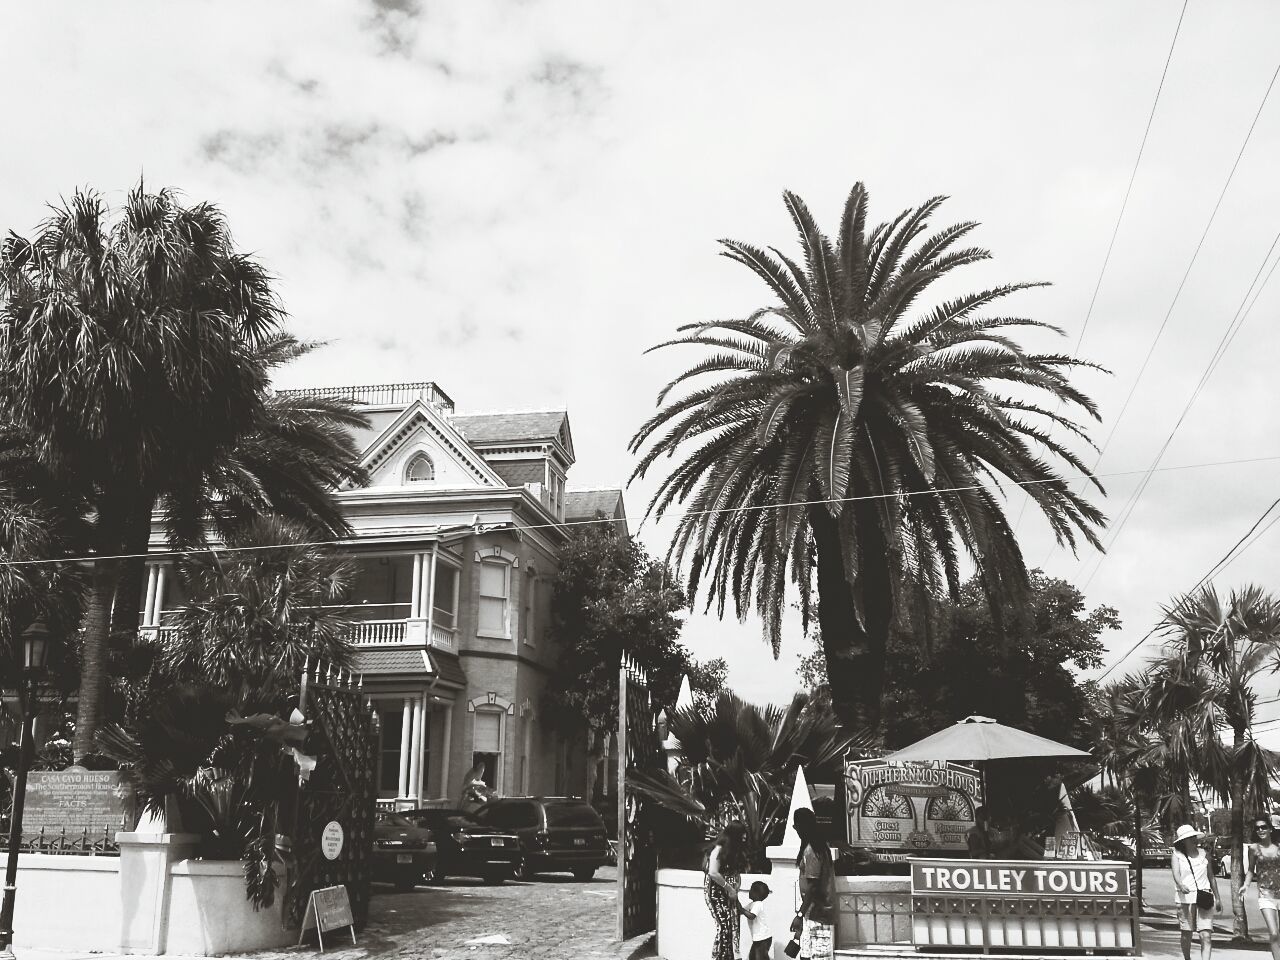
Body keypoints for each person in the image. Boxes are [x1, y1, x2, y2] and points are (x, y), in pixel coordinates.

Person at [1171, 824, 1222, 960]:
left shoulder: (1204, 854)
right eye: (1189, 838)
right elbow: (1176, 873)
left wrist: (1217, 898)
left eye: (1194, 837)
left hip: (1205, 897)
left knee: (1206, 935)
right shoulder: (1177, 855)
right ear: (1183, 841)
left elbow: (1211, 876)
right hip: (1185, 898)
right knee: (1186, 933)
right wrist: (1181, 885)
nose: (1193, 840)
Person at [793, 807, 836, 960]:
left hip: (818, 914)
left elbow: (812, 887)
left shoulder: (812, 851)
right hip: (811, 914)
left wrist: (799, 915)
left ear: (801, 827)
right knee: (805, 956)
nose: (795, 830)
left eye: (796, 826)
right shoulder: (818, 848)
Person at [704, 820, 748, 960]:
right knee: (724, 928)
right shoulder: (719, 849)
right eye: (742, 834)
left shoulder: (733, 850)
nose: (745, 837)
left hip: (728, 894)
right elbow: (713, 872)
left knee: (732, 929)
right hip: (716, 894)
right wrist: (729, 889)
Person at [1245, 817, 1280, 960]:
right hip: (1265, 894)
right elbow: (1250, 870)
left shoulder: (1279, 847)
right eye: (1258, 828)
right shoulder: (1253, 848)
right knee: (1273, 933)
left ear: (1270, 829)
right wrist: (1246, 885)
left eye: (1263, 827)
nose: (1260, 830)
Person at [741, 880, 773, 960]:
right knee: (753, 957)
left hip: (763, 938)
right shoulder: (752, 904)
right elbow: (741, 910)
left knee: (759, 957)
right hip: (758, 938)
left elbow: (751, 916)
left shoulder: (758, 904)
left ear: (757, 893)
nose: (749, 891)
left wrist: (742, 910)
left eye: (751, 890)